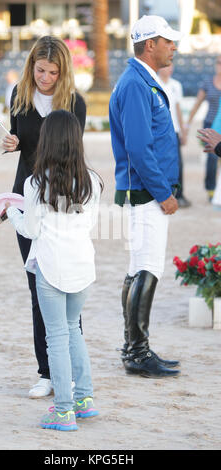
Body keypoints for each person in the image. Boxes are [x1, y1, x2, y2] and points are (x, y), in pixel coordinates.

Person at [3, 110, 101, 431]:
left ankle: (63, 411)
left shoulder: (35, 184)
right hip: (82, 266)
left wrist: (11, 212)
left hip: (50, 268)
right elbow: (89, 223)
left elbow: (30, 230)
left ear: (46, 142)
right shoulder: (93, 182)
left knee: (56, 337)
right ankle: (84, 399)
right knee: (74, 330)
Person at [1, 36, 86, 398]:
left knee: (66, 287)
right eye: (40, 70)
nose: (46, 77)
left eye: (53, 71)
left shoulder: (74, 103)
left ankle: (69, 372)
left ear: (63, 70)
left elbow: (71, 153)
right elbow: (20, 142)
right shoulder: (19, 99)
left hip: (63, 203)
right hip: (26, 198)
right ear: (31, 66)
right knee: (38, 288)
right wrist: (13, 144)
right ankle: (46, 373)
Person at [109, 15, 181, 378]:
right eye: (168, 41)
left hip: (141, 190)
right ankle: (137, 352)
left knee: (138, 268)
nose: (174, 47)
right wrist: (164, 192)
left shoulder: (140, 80)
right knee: (148, 267)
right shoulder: (137, 84)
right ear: (149, 44)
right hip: (146, 192)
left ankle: (133, 348)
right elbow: (139, 148)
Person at [186, 55, 221, 201]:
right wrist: (187, 123)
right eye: (219, 62)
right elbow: (197, 103)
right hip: (209, 125)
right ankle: (211, 189)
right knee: (212, 158)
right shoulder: (208, 82)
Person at [159, 64, 191, 208]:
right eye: (167, 66)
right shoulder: (154, 82)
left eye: (172, 66)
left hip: (175, 131)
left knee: (178, 163)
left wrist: (183, 131)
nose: (170, 69)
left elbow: (178, 109)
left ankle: (180, 194)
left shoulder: (176, 85)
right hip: (160, 131)